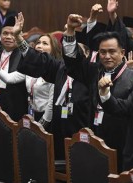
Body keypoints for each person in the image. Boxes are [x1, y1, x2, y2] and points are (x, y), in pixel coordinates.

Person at [62, 13, 133, 171]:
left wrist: (105, 95)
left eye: (112, 51)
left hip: (120, 142)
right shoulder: (94, 70)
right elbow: (72, 62)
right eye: (103, 52)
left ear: (122, 53)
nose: (107, 56)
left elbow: (128, 110)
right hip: (94, 136)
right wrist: (70, 30)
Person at [12, 13, 92, 160]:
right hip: (57, 130)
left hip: (81, 135)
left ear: (87, 55)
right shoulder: (61, 68)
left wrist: (70, 32)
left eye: (75, 52)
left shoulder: (90, 73)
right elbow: (38, 60)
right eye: (68, 53)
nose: (69, 56)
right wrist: (18, 38)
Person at [0, 34, 56, 130]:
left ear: (53, 48)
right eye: (38, 43)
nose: (39, 45)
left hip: (48, 118)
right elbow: (9, 78)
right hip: (31, 114)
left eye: (45, 43)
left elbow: (51, 105)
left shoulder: (55, 70)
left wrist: (41, 125)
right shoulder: (30, 68)